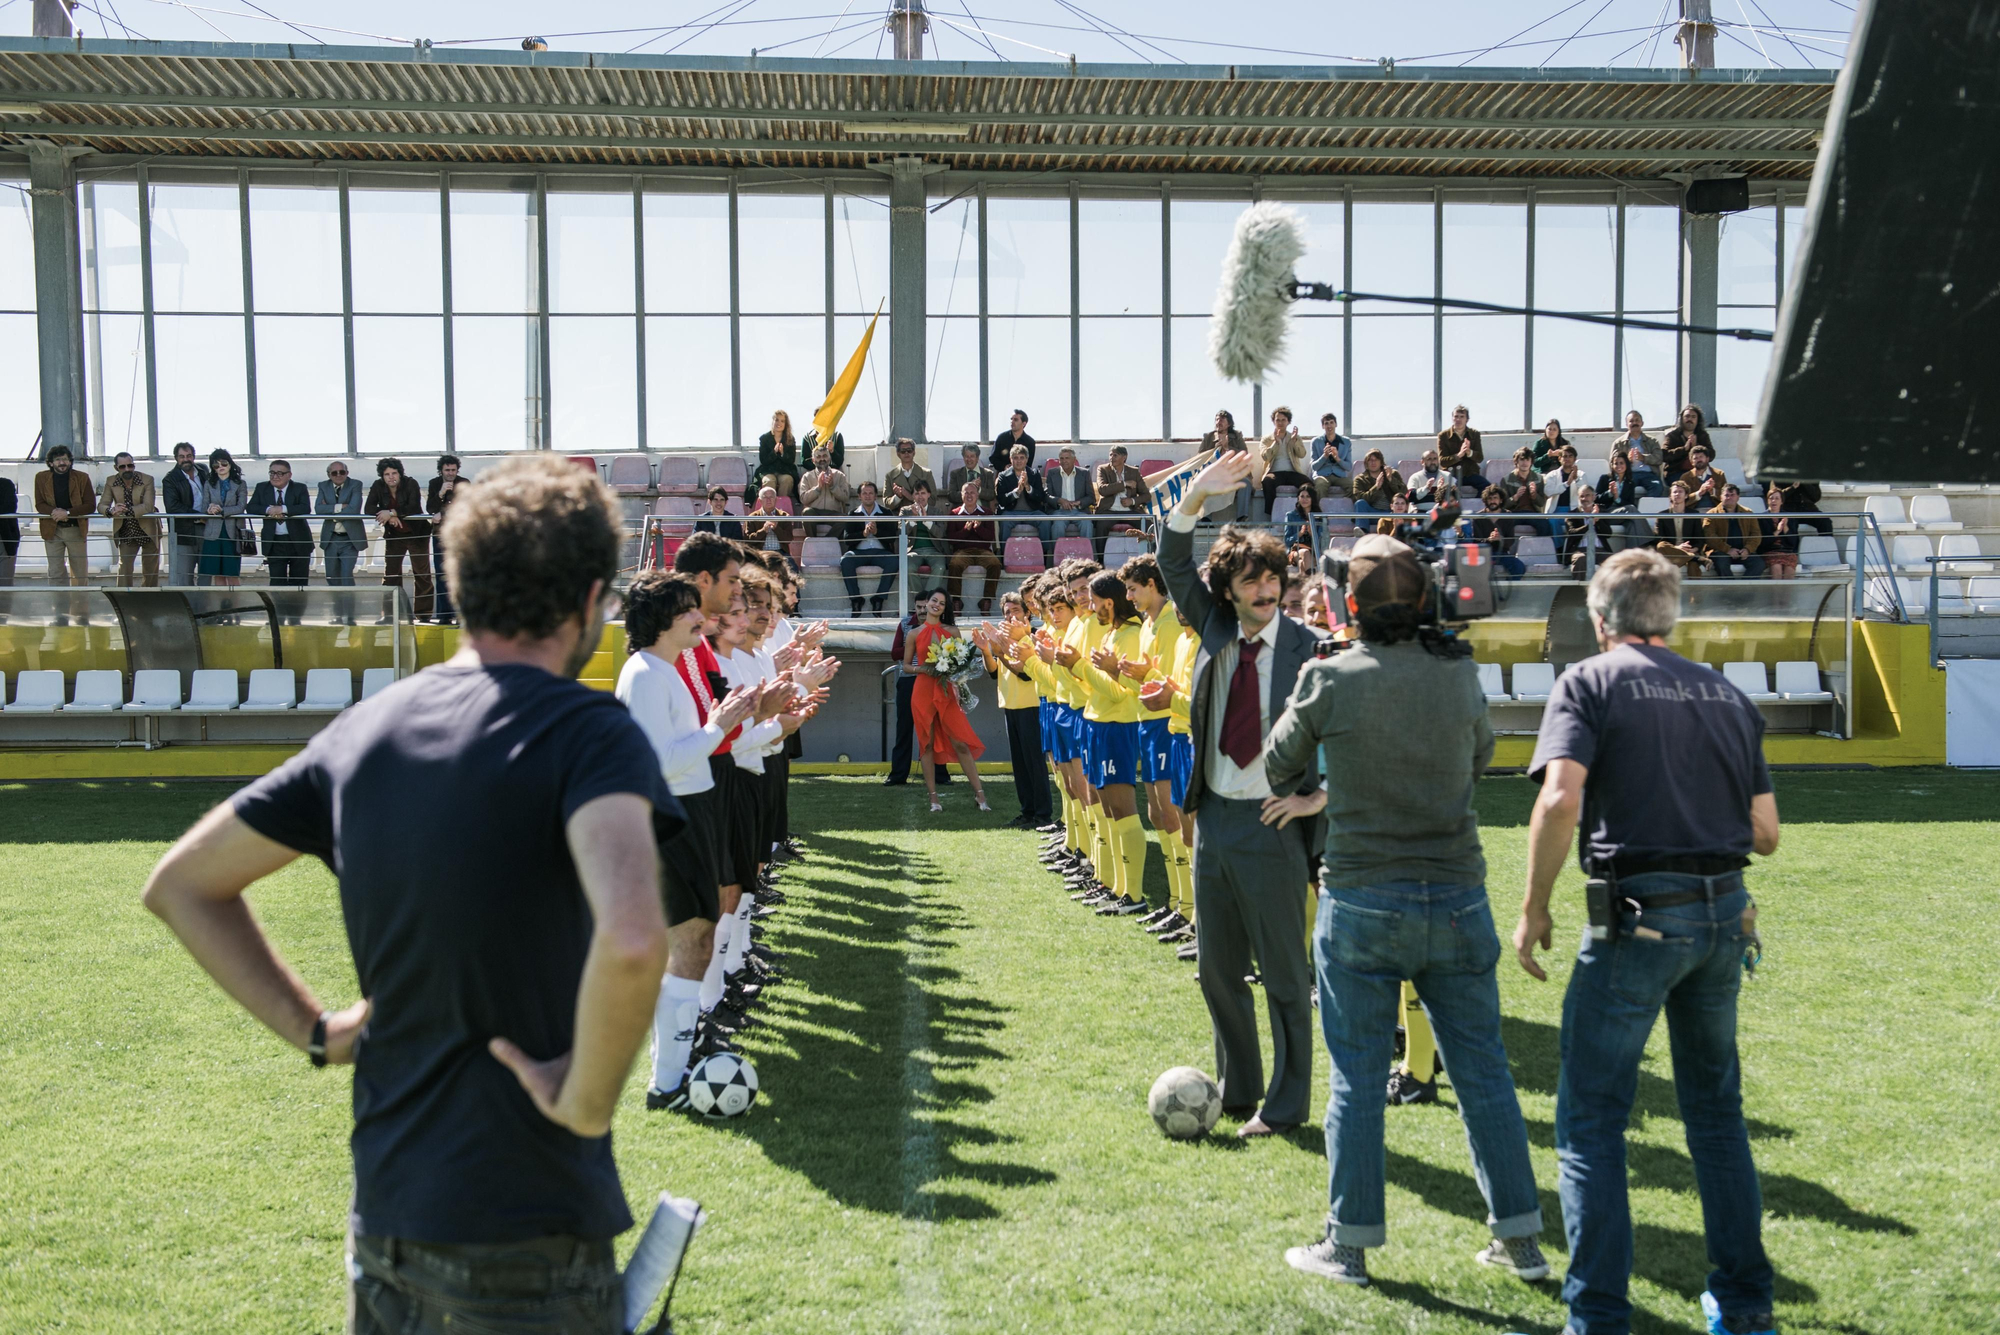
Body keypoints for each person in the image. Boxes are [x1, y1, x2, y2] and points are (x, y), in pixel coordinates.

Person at [141, 455, 677, 1335]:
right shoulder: (587, 729)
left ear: (459, 584)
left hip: (386, 1215)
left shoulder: (362, 731)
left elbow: (183, 884)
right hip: (525, 1226)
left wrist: (317, 1031)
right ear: (590, 598)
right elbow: (631, 938)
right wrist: (583, 1099)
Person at [1265, 532, 1546, 1289]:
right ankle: (1521, 1240)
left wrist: (1318, 673)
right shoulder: (1458, 675)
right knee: (1484, 1071)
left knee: (1356, 1079)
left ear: (1348, 605)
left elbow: (1277, 763)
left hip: (1360, 895)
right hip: (1456, 892)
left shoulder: (1331, 674)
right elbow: (1482, 756)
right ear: (1425, 600)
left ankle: (1348, 1246)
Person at [1514, 547, 1780, 1335]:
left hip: (1637, 914)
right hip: (1725, 914)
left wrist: (1533, 906)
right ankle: (1744, 1304)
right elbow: (1765, 833)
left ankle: (1597, 1314)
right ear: (1672, 615)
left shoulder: (1589, 681)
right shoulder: (1728, 692)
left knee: (1592, 1117)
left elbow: (1560, 798)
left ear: (1600, 620)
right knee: (1716, 1114)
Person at [1159, 450, 1327, 1138]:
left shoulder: (1312, 647)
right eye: (1252, 581)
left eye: (1273, 580)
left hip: (1273, 825)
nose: (1265, 591)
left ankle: (1285, 1106)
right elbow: (1171, 562)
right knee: (1216, 971)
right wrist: (1192, 500)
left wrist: (1318, 800)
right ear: (1228, 590)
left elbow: (1352, 731)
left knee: (1286, 978)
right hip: (1218, 820)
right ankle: (1239, 1088)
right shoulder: (1216, 626)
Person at [614, 570, 760, 1110]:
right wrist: (717, 727)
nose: (702, 618)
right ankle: (667, 1081)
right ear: (661, 622)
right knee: (690, 941)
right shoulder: (648, 675)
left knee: (694, 941)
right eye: (687, 612)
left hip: (687, 812)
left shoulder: (663, 668)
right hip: (670, 819)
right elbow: (660, 761)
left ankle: (672, 1068)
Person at [1063, 571, 1149, 915]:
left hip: (1118, 726)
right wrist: (1077, 668)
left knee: (1122, 809)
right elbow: (1097, 686)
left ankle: (1134, 894)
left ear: (1108, 603)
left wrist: (1080, 666)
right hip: (1099, 724)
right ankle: (1114, 886)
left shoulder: (1130, 635)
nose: (1089, 606)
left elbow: (1119, 693)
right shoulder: (1113, 633)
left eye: (1094, 600)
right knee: (1109, 810)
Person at [1119, 554, 1192, 938]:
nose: (1129, 596)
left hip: (1169, 723)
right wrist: (1127, 674)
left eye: (1133, 588)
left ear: (1152, 584)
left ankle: (1188, 907)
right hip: (1149, 722)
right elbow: (1150, 683)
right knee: (1158, 813)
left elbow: (1169, 682)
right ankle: (1177, 902)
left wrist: (1143, 675)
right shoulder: (1149, 623)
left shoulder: (1168, 623)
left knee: (1173, 815)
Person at [905, 589, 989, 813]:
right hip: (923, 690)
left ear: (945, 608)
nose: (936, 605)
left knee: (960, 741)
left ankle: (980, 795)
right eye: (934, 600)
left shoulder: (952, 631)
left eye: (942, 603)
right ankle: (933, 798)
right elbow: (905, 666)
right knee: (927, 743)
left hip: (947, 691)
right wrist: (923, 668)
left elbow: (963, 663)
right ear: (927, 603)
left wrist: (957, 677)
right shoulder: (913, 633)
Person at [974, 594, 1052, 830]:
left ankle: (1042, 815)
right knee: (1020, 766)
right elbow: (993, 672)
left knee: (1034, 764)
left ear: (1027, 613)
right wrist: (987, 651)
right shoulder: (1003, 638)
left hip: (1030, 706)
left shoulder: (1032, 637)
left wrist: (1000, 652)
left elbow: (1026, 673)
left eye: (1016, 610)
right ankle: (1027, 812)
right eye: (1006, 611)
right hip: (1010, 704)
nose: (1010, 615)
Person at [886, 595, 950, 789]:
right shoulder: (906, 624)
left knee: (936, 726)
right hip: (908, 681)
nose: (923, 610)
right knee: (904, 728)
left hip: (932, 680)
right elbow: (895, 653)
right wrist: (916, 642)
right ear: (915, 607)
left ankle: (941, 774)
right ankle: (898, 774)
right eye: (919, 607)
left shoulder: (941, 626)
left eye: (925, 606)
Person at [368, 458, 432, 620]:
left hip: (417, 534)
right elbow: (368, 508)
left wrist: (391, 513)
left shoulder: (411, 483)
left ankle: (423, 615)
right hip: (394, 535)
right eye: (387, 474)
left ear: (400, 473)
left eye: (394, 473)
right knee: (391, 575)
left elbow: (414, 507)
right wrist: (389, 518)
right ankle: (391, 615)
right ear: (382, 476)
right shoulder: (378, 486)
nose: (391, 477)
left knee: (422, 574)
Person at [33, 445, 94, 611]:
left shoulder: (82, 477)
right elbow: (39, 504)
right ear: (51, 463)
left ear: (70, 461)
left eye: (65, 459)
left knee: (80, 572)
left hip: (75, 528)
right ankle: (59, 610)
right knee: (56, 571)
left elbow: (90, 505)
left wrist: (67, 512)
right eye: (58, 460)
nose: (62, 463)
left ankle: (81, 610)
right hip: (52, 530)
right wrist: (55, 512)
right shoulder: (41, 477)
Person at [98, 452, 160, 588]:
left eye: (130, 465)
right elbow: (102, 505)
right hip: (126, 529)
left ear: (134, 465)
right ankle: (123, 598)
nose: (127, 469)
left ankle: (150, 598)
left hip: (147, 528)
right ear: (116, 468)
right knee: (124, 568)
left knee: (150, 570)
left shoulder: (147, 479)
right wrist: (111, 511)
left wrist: (126, 510)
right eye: (123, 467)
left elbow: (148, 506)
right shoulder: (111, 481)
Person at [251, 459, 313, 590]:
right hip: (274, 542)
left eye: (280, 473)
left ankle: (297, 609)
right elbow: (251, 507)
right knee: (277, 583)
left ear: (289, 475)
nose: (275, 476)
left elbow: (305, 508)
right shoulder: (262, 487)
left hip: (298, 541)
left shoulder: (299, 487)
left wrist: (282, 509)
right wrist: (269, 510)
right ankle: (279, 609)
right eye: (272, 472)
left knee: (299, 582)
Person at [945, 480, 1003, 615]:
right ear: (961, 495)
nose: (969, 495)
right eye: (966, 492)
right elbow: (951, 539)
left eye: (972, 493)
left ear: (977, 495)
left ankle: (986, 600)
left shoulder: (987, 513)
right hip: (962, 551)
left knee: (995, 564)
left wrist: (979, 529)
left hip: (983, 551)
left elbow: (990, 538)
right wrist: (966, 529)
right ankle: (956, 601)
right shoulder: (954, 513)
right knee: (954, 564)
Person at [840, 481, 896, 615]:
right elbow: (847, 539)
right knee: (845, 560)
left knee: (894, 561)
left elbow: (892, 537)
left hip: (881, 552)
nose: (868, 496)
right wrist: (863, 534)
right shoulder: (853, 514)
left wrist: (877, 532)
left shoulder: (886, 512)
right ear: (859, 496)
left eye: (871, 493)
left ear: (876, 495)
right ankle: (856, 599)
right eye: (864, 493)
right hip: (859, 552)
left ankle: (879, 598)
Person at [426, 455, 470, 623]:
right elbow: (430, 508)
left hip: (460, 535)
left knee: (460, 574)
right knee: (441, 573)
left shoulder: (464, 483)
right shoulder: (434, 483)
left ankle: (460, 614)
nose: (450, 473)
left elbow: (463, 508)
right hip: (440, 536)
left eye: (453, 470)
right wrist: (441, 493)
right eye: (447, 470)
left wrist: (442, 512)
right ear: (441, 471)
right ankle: (444, 615)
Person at [197, 450, 248, 592]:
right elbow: (204, 506)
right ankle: (222, 605)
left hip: (232, 532)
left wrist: (222, 510)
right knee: (217, 573)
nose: (220, 466)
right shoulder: (209, 483)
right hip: (213, 533)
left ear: (230, 464)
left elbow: (241, 506)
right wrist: (210, 509)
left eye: (224, 463)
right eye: (216, 464)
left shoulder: (240, 483)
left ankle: (235, 603)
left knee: (232, 573)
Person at [162, 442, 209, 587]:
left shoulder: (203, 471)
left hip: (207, 528)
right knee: (184, 578)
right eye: (181, 456)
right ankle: (189, 608)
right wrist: (198, 515)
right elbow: (173, 507)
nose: (185, 459)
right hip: (184, 532)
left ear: (193, 457)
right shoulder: (170, 479)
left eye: (189, 456)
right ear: (176, 458)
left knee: (206, 575)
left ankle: (205, 607)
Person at [996, 442, 1053, 555]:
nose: (1019, 461)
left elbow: (1040, 496)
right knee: (1004, 523)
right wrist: (1017, 491)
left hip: (1032, 512)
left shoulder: (1034, 473)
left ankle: (1045, 555)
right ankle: (1004, 555)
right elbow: (1001, 500)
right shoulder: (1003, 476)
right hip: (1011, 512)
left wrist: (1027, 487)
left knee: (1045, 521)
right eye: (1015, 458)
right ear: (1010, 459)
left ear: (1027, 459)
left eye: (1022, 458)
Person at [316, 460, 365, 588]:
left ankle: (349, 606)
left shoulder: (355, 484)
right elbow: (318, 509)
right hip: (331, 538)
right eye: (334, 473)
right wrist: (341, 507)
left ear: (347, 473)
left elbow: (354, 509)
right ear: (328, 474)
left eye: (342, 472)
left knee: (346, 576)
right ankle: (337, 606)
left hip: (350, 539)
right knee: (331, 576)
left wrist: (331, 511)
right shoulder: (323, 485)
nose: (338, 475)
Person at [1201, 410, 1253, 520]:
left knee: (1245, 483)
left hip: (1234, 473)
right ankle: (1205, 519)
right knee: (1204, 483)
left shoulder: (1237, 436)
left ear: (1229, 424)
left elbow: (1244, 454)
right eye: (1217, 419)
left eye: (1222, 420)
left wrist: (1227, 448)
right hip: (1215, 475)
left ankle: (1242, 518)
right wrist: (1214, 450)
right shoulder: (1208, 437)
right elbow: (1200, 457)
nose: (1218, 422)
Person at [1705, 484, 1766, 578]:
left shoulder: (1748, 513)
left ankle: (1742, 589)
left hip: (1743, 552)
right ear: (1721, 497)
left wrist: (1747, 549)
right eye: (1726, 495)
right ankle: (1731, 590)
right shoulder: (1711, 514)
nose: (1729, 497)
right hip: (1721, 551)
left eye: (1732, 495)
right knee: (1721, 564)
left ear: (1738, 497)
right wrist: (1727, 549)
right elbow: (1709, 536)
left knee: (1759, 564)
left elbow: (1756, 534)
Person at [1260, 405, 1311, 519]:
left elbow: (1302, 454)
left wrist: (1294, 441)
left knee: (1308, 485)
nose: (1280, 423)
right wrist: (1275, 443)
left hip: (1292, 472)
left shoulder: (1294, 437)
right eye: (1278, 420)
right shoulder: (1267, 439)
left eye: (1283, 420)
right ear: (1273, 421)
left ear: (1288, 422)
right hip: (1275, 472)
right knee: (1267, 481)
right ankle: (1271, 515)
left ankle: (1306, 514)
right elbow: (1265, 457)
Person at [1653, 480, 1711, 576]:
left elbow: (1700, 538)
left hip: (1689, 550)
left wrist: (1694, 549)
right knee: (1661, 545)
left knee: (1693, 565)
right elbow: (1659, 539)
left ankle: (1695, 590)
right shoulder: (1662, 515)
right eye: (1674, 492)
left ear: (1686, 495)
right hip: (1671, 551)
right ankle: (1697, 559)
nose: (1677, 494)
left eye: (1680, 491)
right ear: (1670, 496)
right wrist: (1677, 548)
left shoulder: (1694, 514)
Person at [798, 444, 852, 537]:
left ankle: (827, 541)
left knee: (845, 519)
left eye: (825, 456)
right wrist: (818, 487)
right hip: (814, 512)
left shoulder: (839, 475)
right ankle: (813, 541)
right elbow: (803, 499)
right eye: (818, 457)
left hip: (833, 512)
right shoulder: (807, 476)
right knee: (807, 512)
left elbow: (845, 497)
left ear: (829, 458)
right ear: (813, 460)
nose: (822, 459)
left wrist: (833, 487)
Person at [1046, 445, 1094, 544]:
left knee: (1087, 524)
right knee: (1058, 524)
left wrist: (1079, 502)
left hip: (1079, 511)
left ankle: (1087, 556)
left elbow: (1091, 497)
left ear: (1074, 459)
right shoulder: (1052, 473)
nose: (1064, 461)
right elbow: (1047, 495)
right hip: (1059, 511)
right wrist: (1060, 500)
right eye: (1061, 458)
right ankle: (1057, 557)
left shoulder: (1084, 473)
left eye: (1067, 458)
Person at [1565, 487, 1616, 578]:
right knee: (1581, 560)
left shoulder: (1602, 512)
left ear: (1593, 497)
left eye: (1587, 495)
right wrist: (1590, 523)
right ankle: (1579, 591)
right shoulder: (1572, 514)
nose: (1584, 499)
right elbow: (1572, 533)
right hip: (1580, 551)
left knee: (1614, 562)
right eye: (1581, 496)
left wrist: (1598, 519)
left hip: (1600, 550)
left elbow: (1608, 533)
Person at [1496, 449, 1548, 537]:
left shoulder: (1539, 478)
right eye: (1522, 459)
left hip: (1533, 513)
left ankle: (1543, 550)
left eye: (1527, 460)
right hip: (1513, 513)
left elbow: (1542, 503)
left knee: (1545, 525)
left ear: (1531, 462)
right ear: (1516, 461)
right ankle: (1504, 550)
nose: (1525, 463)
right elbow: (1503, 505)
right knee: (1503, 525)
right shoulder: (1506, 479)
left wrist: (1534, 495)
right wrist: (1515, 497)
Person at [755, 409, 801, 500]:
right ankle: (769, 507)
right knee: (769, 481)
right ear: (772, 421)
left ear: (785, 424)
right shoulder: (764, 438)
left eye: (782, 421)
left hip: (785, 471)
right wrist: (774, 453)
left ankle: (781, 507)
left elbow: (791, 460)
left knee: (787, 480)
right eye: (776, 420)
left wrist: (783, 453)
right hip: (768, 471)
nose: (779, 423)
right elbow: (763, 460)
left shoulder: (790, 439)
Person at [1662, 402, 1713, 481]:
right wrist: (1684, 449)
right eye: (1687, 416)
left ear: (1697, 420)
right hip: (1676, 472)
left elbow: (1712, 455)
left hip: (1699, 471)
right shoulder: (1672, 436)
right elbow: (1664, 455)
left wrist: (1697, 447)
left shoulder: (1702, 435)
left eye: (1693, 417)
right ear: (1682, 419)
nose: (1690, 419)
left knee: (1713, 483)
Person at [882, 438, 935, 514]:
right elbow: (886, 503)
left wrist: (910, 496)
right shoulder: (890, 476)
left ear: (914, 452)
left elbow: (932, 501)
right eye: (903, 451)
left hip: (923, 517)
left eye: (909, 450)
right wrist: (898, 497)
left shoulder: (926, 474)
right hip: (900, 518)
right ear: (898, 454)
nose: (906, 453)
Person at [1760, 484, 1800, 579]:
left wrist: (1785, 528)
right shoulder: (1761, 518)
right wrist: (1777, 532)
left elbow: (1794, 542)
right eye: (1771, 498)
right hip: (1769, 551)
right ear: (1767, 500)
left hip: (1786, 551)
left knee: (1789, 569)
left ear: (1782, 501)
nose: (1774, 501)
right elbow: (1761, 543)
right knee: (1776, 567)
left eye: (1777, 498)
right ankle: (1777, 594)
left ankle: (1786, 594)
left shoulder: (1789, 517)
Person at [1438, 404, 1483, 486]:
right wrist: (1458, 455)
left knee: (1488, 490)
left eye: (1462, 416)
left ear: (1467, 419)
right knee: (1448, 493)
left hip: (1471, 474)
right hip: (1451, 475)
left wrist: (1469, 452)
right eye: (1456, 416)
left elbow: (1480, 458)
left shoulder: (1474, 434)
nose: (1458, 419)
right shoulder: (1443, 435)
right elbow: (1442, 462)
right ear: (1452, 418)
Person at [1348, 450, 1404, 516]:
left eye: (1376, 459)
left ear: (1381, 462)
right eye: (1370, 460)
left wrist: (1391, 480)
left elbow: (1403, 493)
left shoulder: (1393, 474)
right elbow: (1358, 499)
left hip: (1391, 512)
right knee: (1360, 503)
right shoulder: (1359, 479)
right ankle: (1361, 526)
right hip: (1371, 513)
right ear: (1366, 463)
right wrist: (1376, 487)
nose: (1373, 462)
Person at [1309, 413, 1352, 498]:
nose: (1329, 426)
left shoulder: (1346, 442)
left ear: (1336, 424)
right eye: (1326, 423)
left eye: (1332, 422)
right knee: (1320, 486)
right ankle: (1320, 510)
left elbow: (1349, 467)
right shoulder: (1316, 441)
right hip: (1322, 475)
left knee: (1352, 486)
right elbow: (1314, 467)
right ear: (1323, 426)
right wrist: (1324, 456)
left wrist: (1337, 458)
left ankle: (1344, 509)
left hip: (1340, 476)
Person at [945, 442, 998, 511]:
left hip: (982, 512)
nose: (969, 459)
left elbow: (992, 495)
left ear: (977, 458)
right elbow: (951, 496)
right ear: (963, 458)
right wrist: (968, 488)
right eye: (966, 456)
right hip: (962, 512)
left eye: (972, 456)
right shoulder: (955, 474)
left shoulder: (987, 474)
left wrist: (979, 489)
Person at [1680, 442, 1729, 510]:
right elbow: (1681, 500)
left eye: (1701, 457)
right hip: (1694, 513)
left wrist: (1713, 491)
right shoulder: (1685, 477)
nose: (1699, 460)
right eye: (1695, 458)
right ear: (1691, 461)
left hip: (1716, 512)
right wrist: (1699, 493)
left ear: (1707, 459)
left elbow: (1726, 496)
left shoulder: (1719, 474)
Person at [1617, 410, 1664, 479]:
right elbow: (1612, 463)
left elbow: (1659, 459)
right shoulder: (1619, 443)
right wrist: (1627, 460)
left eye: (1637, 420)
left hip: (1649, 475)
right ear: (1627, 425)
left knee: (1657, 487)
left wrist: (1643, 457)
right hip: (1628, 475)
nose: (1634, 423)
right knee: (1626, 488)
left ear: (1642, 423)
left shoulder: (1652, 441)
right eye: (1631, 421)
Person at [1283, 486, 1318, 565]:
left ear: (1313, 499)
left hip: (1314, 552)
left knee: (1302, 563)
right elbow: (1287, 541)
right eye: (1302, 496)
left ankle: (1304, 576)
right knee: (1305, 553)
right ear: (1298, 498)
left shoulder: (1319, 517)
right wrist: (1300, 533)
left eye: (1308, 496)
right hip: (1295, 551)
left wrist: (1311, 532)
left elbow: (1322, 542)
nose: (1304, 499)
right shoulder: (1290, 515)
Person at [0, 468, 18, 596]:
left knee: (5, 582)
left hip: (5, 536)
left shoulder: (6, 485)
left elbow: (9, 507)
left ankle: (3, 614)